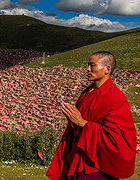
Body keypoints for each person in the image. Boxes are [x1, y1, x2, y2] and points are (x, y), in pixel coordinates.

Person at [46, 51, 137, 180]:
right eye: (88, 65)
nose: (87, 69)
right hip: (77, 154)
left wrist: (82, 123)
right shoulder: (87, 92)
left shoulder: (115, 98)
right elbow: (79, 124)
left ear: (107, 69)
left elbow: (117, 138)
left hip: (95, 163)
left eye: (92, 65)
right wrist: (73, 121)